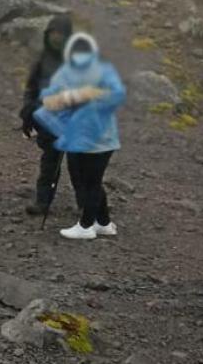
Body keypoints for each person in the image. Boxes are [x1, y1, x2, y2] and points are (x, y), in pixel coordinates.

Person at [34, 32, 127, 240]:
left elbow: (48, 100)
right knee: (92, 180)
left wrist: (80, 96)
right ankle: (103, 223)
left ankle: (85, 226)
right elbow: (49, 100)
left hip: (91, 139)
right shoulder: (99, 71)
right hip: (98, 139)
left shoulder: (77, 72)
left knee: (88, 182)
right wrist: (75, 96)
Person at [19, 15, 74, 215]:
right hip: (49, 124)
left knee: (81, 171)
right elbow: (31, 90)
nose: (56, 38)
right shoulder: (41, 61)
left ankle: (88, 208)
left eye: (60, 34)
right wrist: (28, 112)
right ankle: (43, 203)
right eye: (52, 33)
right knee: (49, 166)